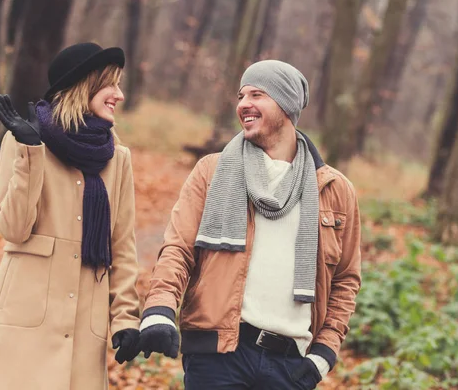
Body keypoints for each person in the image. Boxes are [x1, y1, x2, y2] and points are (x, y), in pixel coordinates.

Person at [138, 60, 362, 390]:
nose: (244, 104)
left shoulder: (333, 189)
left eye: (257, 94)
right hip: (218, 356)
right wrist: (159, 309)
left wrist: (323, 355)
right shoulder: (212, 172)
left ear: (286, 105)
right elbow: (177, 250)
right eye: (241, 95)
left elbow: (345, 279)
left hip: (290, 366)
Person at [0, 43, 141, 390]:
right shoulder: (25, 139)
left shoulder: (118, 159)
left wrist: (125, 319)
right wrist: (30, 153)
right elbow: (13, 229)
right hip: (23, 319)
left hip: (83, 331)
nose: (119, 94)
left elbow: (123, 247)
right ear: (84, 86)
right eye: (110, 85)